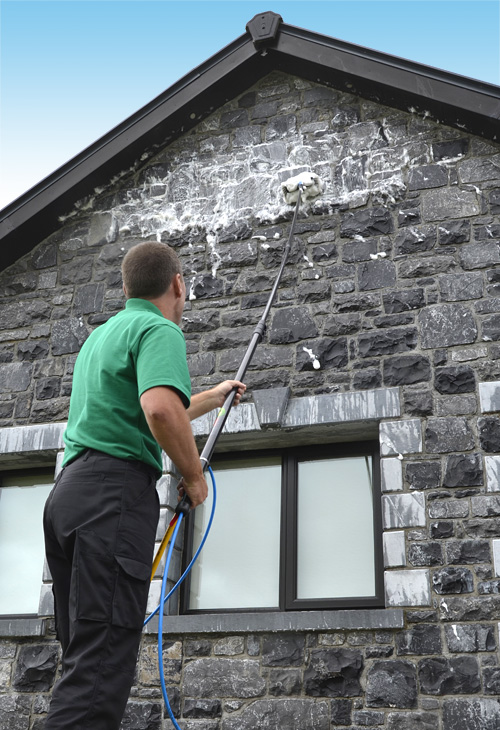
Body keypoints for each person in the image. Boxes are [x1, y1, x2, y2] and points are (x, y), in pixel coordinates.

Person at [43, 241, 245, 730]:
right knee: (101, 666)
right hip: (112, 498)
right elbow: (157, 410)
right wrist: (193, 475)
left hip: (70, 497)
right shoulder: (160, 328)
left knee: (84, 654)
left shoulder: (104, 335)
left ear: (128, 287)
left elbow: (151, 406)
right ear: (177, 284)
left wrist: (212, 398)